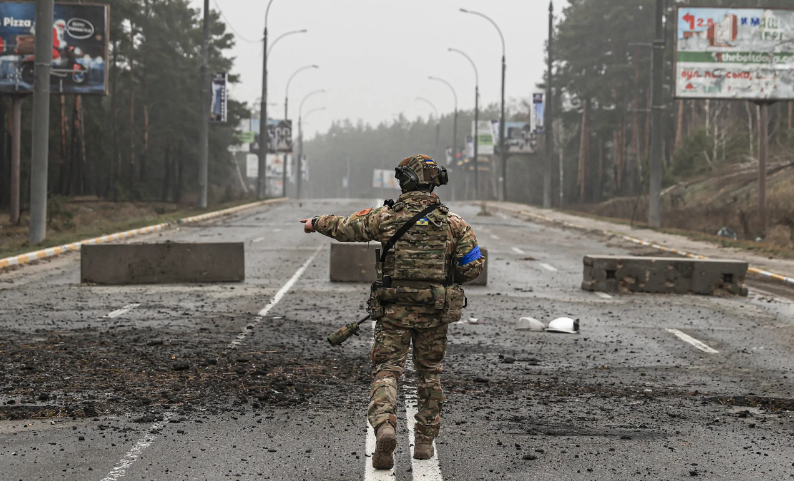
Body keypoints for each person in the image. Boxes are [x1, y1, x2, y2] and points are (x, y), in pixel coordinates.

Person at [300, 154, 484, 469]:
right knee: (429, 375)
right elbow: (472, 268)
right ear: (433, 181)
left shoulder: (385, 217)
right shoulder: (455, 224)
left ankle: (385, 426)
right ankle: (424, 443)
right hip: (434, 312)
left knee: (387, 371)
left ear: (404, 181)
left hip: (393, 311)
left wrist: (315, 223)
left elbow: (345, 227)